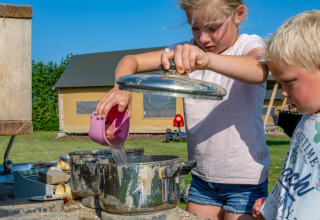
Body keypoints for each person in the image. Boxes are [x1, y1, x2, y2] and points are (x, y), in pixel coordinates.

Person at [95, 0, 270, 219]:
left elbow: (258, 70)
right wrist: (122, 87)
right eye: (195, 28)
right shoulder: (185, 52)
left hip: (245, 182)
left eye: (213, 28)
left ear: (239, 14)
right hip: (201, 179)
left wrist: (205, 60)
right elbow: (131, 61)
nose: (203, 38)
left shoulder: (248, 45)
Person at [252, 10, 320, 220]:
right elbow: (294, 174)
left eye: (289, 81)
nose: (282, 91)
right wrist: (273, 203)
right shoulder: (306, 119)